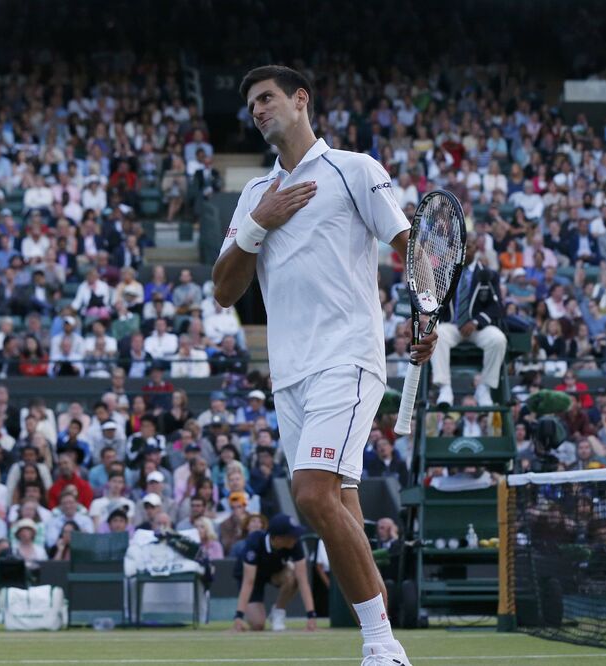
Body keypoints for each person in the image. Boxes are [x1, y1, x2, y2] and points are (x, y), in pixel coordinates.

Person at [213, 66, 434, 663]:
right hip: (289, 375)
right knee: (340, 510)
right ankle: (382, 641)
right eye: (252, 104)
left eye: (268, 98)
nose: (258, 110)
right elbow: (224, 289)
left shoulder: (355, 169)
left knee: (309, 495)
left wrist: (430, 317)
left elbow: (411, 247)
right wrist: (262, 222)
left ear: (300, 100)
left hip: (348, 359)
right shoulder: (256, 195)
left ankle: (384, 647)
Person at [430, 258, 507, 408]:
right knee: (437, 334)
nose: (467, 248)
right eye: (464, 245)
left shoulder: (488, 274)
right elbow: (431, 300)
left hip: (478, 327)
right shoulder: (443, 270)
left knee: (498, 339)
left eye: (470, 245)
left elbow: (496, 306)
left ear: (476, 249)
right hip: (452, 325)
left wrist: (476, 322)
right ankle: (444, 388)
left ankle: (484, 388)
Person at [233, 514, 317, 633]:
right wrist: (238, 616)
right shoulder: (254, 542)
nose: (296, 538)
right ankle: (249, 614)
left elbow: (303, 580)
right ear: (278, 538)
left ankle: (277, 612)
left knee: (293, 576)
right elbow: (248, 582)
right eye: (292, 535)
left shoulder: (295, 544)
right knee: (258, 625)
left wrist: (311, 616)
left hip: (275, 573)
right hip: (251, 577)